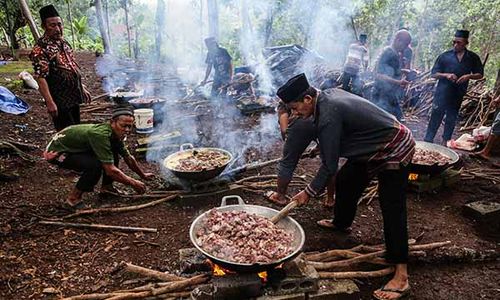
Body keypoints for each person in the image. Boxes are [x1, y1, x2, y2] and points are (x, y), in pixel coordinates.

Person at [277, 73, 415, 300]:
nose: (295, 114)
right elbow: (347, 132)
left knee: (392, 206)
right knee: (346, 180)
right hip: (371, 145)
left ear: (308, 99)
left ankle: (401, 275)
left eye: (295, 108)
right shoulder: (325, 99)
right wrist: (323, 147)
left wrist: (308, 192)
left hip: (394, 146)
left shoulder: (328, 113)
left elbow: (329, 166)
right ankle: (341, 222)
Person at [43, 106, 154, 208]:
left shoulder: (115, 134)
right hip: (57, 152)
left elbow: (128, 158)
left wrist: (142, 175)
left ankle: (107, 188)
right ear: (112, 122)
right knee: (94, 165)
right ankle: (73, 199)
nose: (127, 130)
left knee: (112, 152)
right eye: (123, 126)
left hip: (77, 149)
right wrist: (133, 183)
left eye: (130, 126)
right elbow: (111, 171)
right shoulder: (100, 135)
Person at [30, 5, 91, 131]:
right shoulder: (40, 49)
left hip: (73, 96)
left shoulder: (64, 43)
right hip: (59, 99)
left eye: (59, 24)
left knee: (76, 128)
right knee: (66, 133)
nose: (57, 29)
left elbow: (72, 66)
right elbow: (41, 78)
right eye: (52, 25)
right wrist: (49, 102)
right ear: (44, 27)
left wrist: (82, 87)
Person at [266, 101, 336, 207]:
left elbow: (284, 130)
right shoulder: (318, 97)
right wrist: (319, 147)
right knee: (330, 160)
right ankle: (330, 199)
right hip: (326, 121)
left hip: (302, 123)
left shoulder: (284, 102)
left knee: (288, 161)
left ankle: (280, 197)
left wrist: (290, 143)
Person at [424, 30, 484, 144]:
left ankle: (446, 141)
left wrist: (468, 76)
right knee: (436, 116)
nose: (455, 45)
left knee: (451, 118)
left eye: (459, 43)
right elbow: (433, 74)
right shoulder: (444, 56)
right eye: (454, 42)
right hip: (442, 93)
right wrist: (446, 75)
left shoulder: (472, 57)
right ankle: (428, 140)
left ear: (466, 43)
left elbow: (480, 74)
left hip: (458, 93)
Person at [373, 30, 412, 121]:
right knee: (382, 122)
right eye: (405, 45)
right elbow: (379, 75)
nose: (405, 48)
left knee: (396, 121)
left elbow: (392, 71)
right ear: (398, 40)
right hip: (382, 94)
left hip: (391, 94)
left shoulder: (395, 53)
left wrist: (402, 71)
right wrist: (399, 82)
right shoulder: (388, 52)